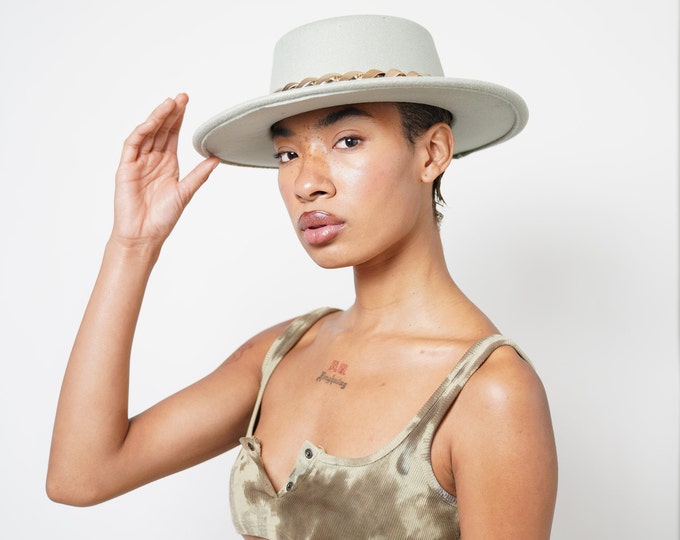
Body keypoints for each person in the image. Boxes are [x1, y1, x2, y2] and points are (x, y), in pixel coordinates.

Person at [47, 14, 558, 540]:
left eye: (348, 141)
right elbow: (80, 476)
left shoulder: (490, 392)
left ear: (431, 153)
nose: (307, 182)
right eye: (288, 154)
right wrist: (133, 245)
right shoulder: (286, 352)